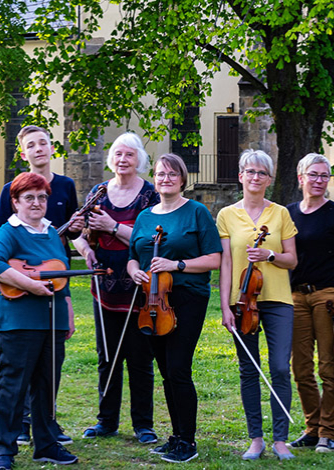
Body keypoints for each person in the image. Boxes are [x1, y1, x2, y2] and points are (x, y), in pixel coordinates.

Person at [126, 154, 222, 463]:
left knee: (179, 368)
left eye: (171, 173)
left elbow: (214, 259)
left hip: (187, 298)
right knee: (166, 371)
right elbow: (132, 256)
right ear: (154, 179)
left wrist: (175, 264)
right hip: (151, 300)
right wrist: (133, 272)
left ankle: (188, 442)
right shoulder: (144, 217)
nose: (165, 178)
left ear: (182, 179)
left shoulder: (197, 212)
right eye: (160, 174)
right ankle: (176, 436)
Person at [0, 125, 81, 446]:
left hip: (51, 316)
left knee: (46, 382)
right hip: (16, 317)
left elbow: (63, 272)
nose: (37, 203)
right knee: (13, 383)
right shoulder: (9, 230)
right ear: (16, 201)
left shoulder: (53, 232)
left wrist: (67, 308)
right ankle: (6, 447)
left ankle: (45, 442)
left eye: (42, 197)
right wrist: (28, 283)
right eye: (29, 198)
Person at [73, 132, 160, 444]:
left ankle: (143, 425)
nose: (123, 160)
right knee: (106, 356)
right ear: (111, 159)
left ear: (139, 160)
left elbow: (150, 239)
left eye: (129, 155)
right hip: (104, 286)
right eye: (118, 154)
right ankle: (106, 421)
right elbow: (79, 233)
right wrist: (86, 251)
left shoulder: (150, 195)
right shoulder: (98, 192)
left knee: (139, 356)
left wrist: (111, 227)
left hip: (138, 287)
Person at [217, 149, 299, 461]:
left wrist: (271, 256)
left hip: (278, 300)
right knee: (249, 370)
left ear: (269, 179)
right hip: (242, 303)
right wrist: (226, 306)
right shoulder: (226, 215)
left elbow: (292, 260)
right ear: (240, 176)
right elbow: (226, 263)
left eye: (261, 173)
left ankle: (281, 439)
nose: (255, 177)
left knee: (279, 367)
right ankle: (256, 438)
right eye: (249, 171)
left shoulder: (280, 214)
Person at [286, 153, 334, 453]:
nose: (318, 180)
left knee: (329, 366)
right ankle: (312, 427)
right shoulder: (287, 213)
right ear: (301, 177)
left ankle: (328, 431)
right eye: (313, 175)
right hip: (296, 296)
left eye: (324, 175)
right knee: (300, 367)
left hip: (327, 296)